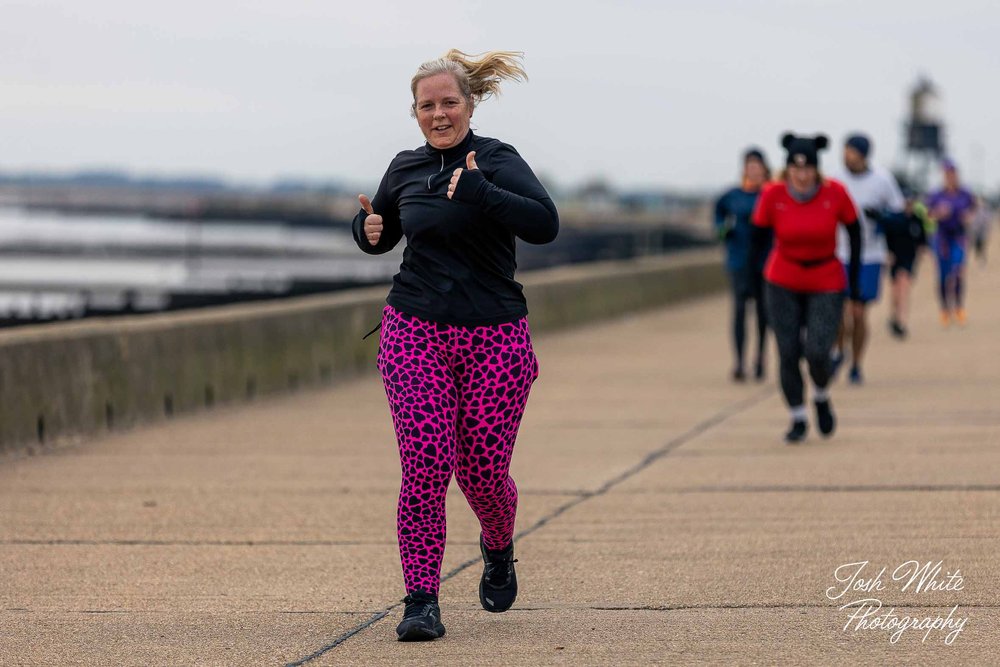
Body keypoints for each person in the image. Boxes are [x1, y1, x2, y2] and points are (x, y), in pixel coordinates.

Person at [352, 49, 559, 641]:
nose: (438, 114)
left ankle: (497, 545)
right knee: (424, 465)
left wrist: (482, 193)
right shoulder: (405, 167)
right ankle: (421, 601)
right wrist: (367, 234)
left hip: (495, 337)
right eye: (427, 105)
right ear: (414, 112)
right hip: (413, 329)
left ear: (470, 105)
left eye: (448, 103)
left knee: (484, 472)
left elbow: (544, 224)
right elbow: (384, 229)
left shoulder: (497, 160)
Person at [751, 133, 862, 443]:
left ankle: (822, 395)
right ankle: (797, 417)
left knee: (816, 350)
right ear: (787, 170)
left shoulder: (834, 193)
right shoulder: (773, 195)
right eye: (795, 169)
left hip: (825, 278)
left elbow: (855, 232)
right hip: (782, 279)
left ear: (816, 170)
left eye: (807, 169)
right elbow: (758, 240)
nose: (801, 176)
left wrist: (852, 282)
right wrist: (756, 283)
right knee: (787, 351)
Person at [831, 134, 905, 383]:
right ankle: (839, 351)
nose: (846, 156)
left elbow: (899, 214)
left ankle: (856, 363)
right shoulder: (835, 180)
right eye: (845, 151)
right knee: (838, 313)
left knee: (859, 313)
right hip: (839, 253)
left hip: (870, 255)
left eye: (851, 152)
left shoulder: (882, 180)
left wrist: (882, 216)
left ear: (862, 155)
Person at [713, 148, 772, 382]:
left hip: (765, 262)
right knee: (739, 310)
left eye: (758, 167)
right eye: (750, 167)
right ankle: (739, 361)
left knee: (763, 312)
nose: (754, 171)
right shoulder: (731, 196)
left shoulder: (770, 194)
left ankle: (760, 357)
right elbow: (719, 218)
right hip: (739, 260)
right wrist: (724, 230)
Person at [869, 191, 930, 339]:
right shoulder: (895, 220)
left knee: (904, 287)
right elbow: (884, 235)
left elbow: (922, 240)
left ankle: (901, 321)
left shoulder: (917, 219)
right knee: (896, 290)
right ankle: (894, 316)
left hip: (909, 259)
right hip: (895, 258)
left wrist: (922, 252)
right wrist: (887, 253)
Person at [926, 159, 976, 326]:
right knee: (943, 275)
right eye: (947, 174)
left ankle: (959, 307)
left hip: (959, 237)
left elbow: (974, 208)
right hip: (942, 238)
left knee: (958, 272)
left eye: (952, 173)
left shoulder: (965, 194)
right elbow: (928, 214)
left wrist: (969, 216)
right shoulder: (936, 195)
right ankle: (944, 309)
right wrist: (938, 214)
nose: (950, 177)